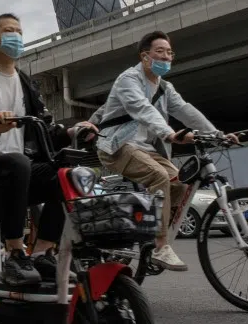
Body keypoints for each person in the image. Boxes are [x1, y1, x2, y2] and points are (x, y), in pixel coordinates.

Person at [0, 13, 98, 285]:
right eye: (8, 30)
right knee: (17, 162)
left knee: (64, 172)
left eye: (19, 31)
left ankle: (42, 252)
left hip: (18, 172)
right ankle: (15, 251)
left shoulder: (26, 83)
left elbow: (46, 127)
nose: (16, 36)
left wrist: (75, 130)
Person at [90, 30, 239, 271]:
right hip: (117, 146)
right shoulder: (128, 79)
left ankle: (152, 234)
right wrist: (168, 132)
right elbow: (141, 109)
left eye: (170, 52)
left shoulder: (166, 87)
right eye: (160, 51)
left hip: (147, 148)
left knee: (180, 183)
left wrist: (217, 134)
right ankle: (161, 246)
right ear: (145, 56)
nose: (166, 57)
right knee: (159, 177)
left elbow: (185, 110)